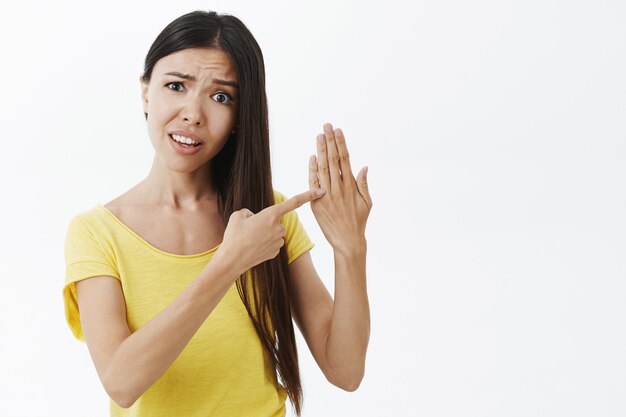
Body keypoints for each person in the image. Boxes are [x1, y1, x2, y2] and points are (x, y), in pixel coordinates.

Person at [63, 10, 372, 417]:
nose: (193, 113)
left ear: (240, 118)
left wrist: (350, 249)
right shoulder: (97, 232)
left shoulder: (269, 217)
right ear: (145, 91)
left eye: (221, 96)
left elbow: (345, 371)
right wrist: (228, 263)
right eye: (176, 86)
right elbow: (121, 381)